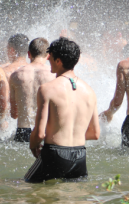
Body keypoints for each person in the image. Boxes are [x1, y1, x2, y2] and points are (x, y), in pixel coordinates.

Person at [25, 37, 100, 183]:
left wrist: (33, 145)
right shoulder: (90, 91)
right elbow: (95, 134)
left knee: (27, 187)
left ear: (58, 61)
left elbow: (39, 133)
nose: (48, 59)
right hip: (79, 157)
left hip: (55, 154)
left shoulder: (47, 89)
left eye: (50, 56)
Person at [9, 37, 55, 142]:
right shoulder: (53, 75)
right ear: (48, 56)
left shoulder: (16, 75)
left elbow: (14, 113)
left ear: (29, 54)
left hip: (23, 131)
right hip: (45, 130)